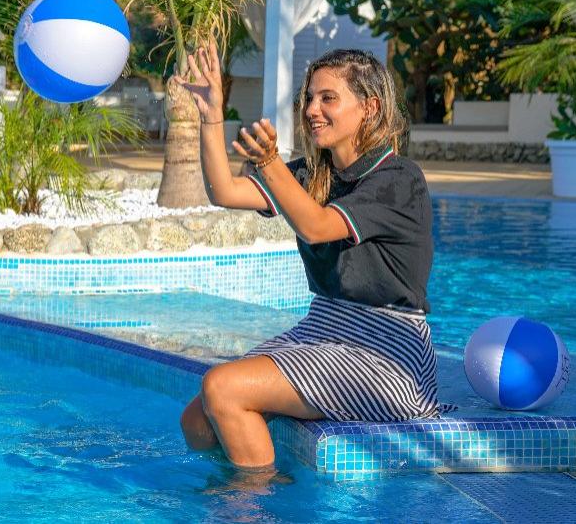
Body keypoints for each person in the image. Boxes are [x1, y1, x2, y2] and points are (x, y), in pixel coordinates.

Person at [174, 44, 446, 472]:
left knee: (223, 389)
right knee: (197, 420)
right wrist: (212, 115)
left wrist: (268, 162)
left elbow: (316, 226)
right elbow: (223, 192)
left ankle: (256, 507)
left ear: (369, 107)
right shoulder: (311, 173)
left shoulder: (398, 178)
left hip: (388, 353)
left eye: (328, 98)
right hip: (324, 329)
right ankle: (240, 493)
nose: (312, 109)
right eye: (309, 99)